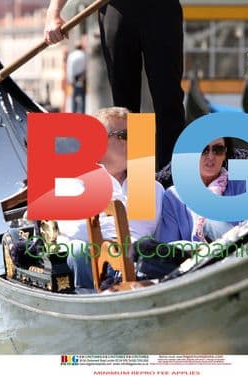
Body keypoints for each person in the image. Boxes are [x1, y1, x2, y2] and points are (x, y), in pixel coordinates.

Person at [44, 0, 186, 171]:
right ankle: (137, 184)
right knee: (125, 110)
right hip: (115, 8)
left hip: (161, 10)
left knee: (168, 103)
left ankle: (171, 183)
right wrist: (53, 13)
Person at [55, 107, 165, 290]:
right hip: (91, 265)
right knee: (78, 249)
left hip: (139, 266)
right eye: (124, 135)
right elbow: (76, 230)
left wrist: (107, 220)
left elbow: (146, 229)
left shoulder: (151, 185)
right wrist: (121, 226)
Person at [156, 138, 246, 244]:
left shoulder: (242, 185)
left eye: (218, 150)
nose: (211, 156)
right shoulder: (173, 196)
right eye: (203, 150)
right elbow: (168, 246)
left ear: (225, 154)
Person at [67, 41, 86, 113]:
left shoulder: (71, 56)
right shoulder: (83, 55)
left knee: (74, 98)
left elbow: (70, 68)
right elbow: (85, 68)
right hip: (82, 78)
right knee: (82, 99)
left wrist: (71, 80)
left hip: (74, 79)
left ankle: (74, 114)